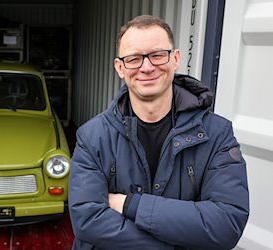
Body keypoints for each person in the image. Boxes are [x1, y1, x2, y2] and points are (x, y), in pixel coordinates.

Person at [68, 15, 249, 249]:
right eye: (133, 58)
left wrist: (129, 205)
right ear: (120, 68)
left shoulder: (216, 134)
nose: (146, 67)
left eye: (157, 55)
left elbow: (226, 224)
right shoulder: (92, 137)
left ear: (175, 59)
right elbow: (88, 221)